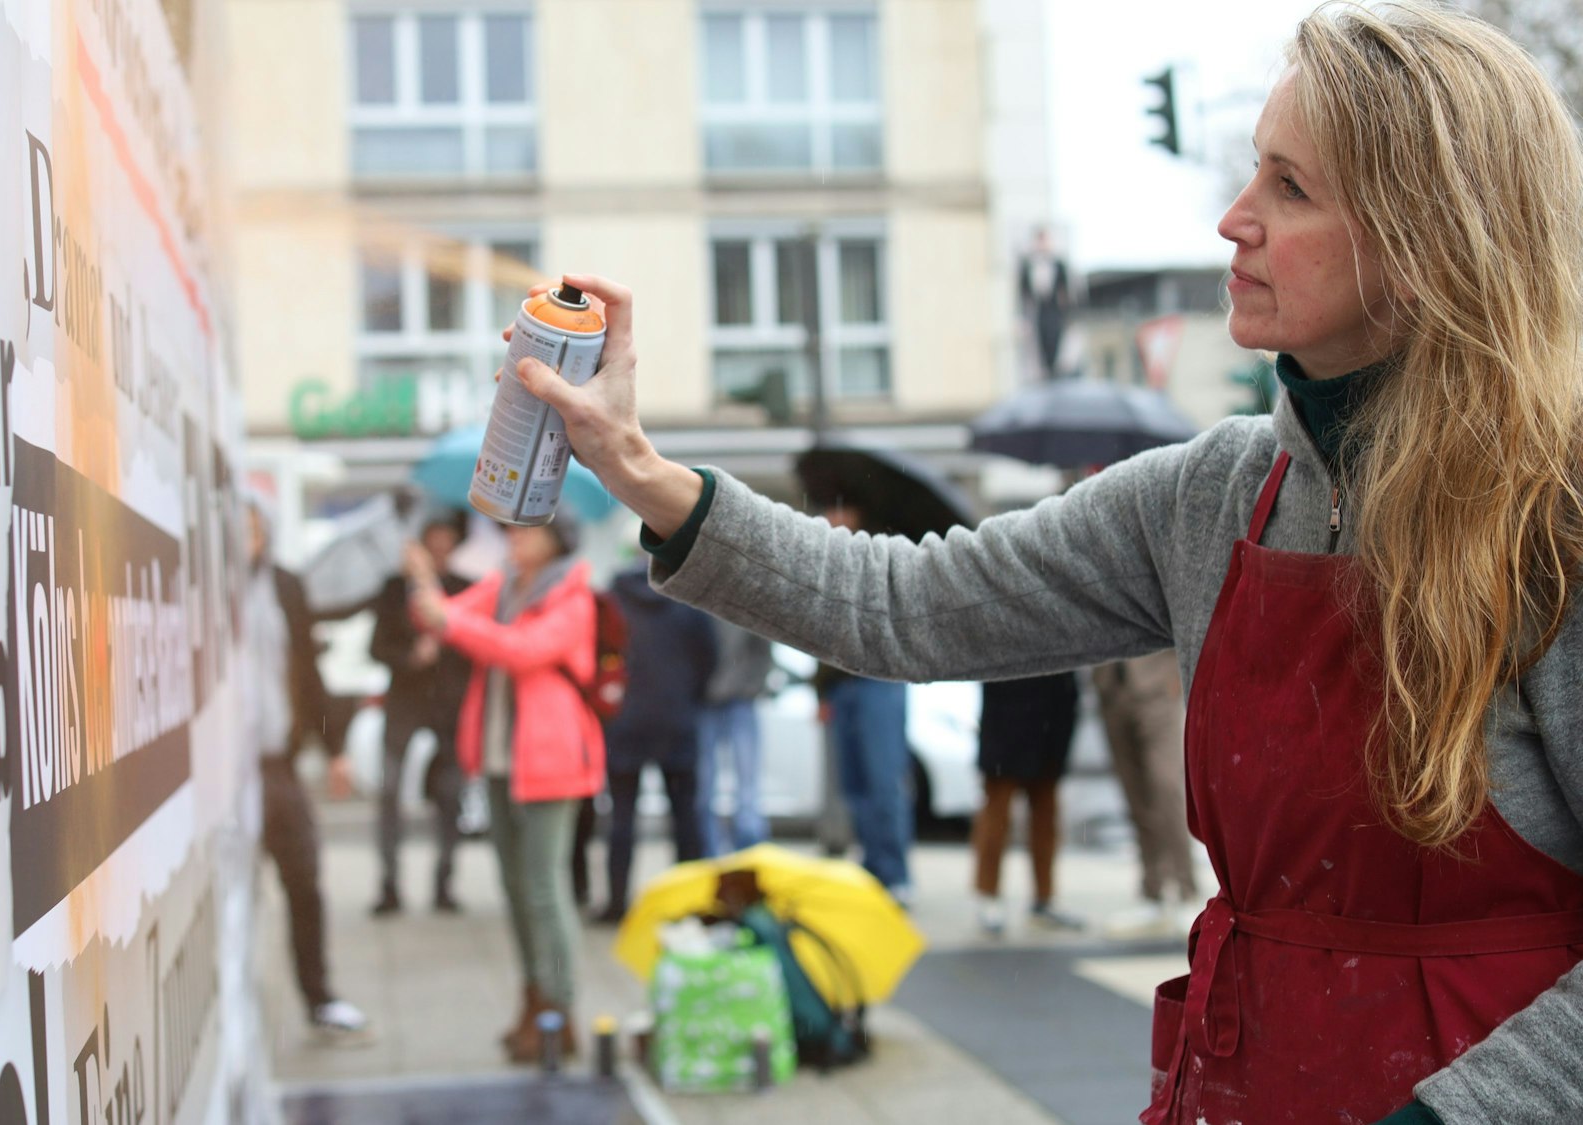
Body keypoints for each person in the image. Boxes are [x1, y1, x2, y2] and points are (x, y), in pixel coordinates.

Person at [495, 8, 1583, 1119]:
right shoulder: (1206, 496)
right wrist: (635, 468)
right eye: (1249, 171)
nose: (1231, 219)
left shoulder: (1558, 516)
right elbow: (905, 605)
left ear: (1427, 239)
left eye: (1288, 188)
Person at [405, 511, 605, 1065]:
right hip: (498, 761)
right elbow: (437, 619)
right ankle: (534, 999)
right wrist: (424, 580)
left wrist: (447, 619)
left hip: (551, 761)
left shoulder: (572, 597)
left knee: (544, 888)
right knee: (517, 892)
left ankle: (560, 1011)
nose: (512, 538)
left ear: (555, 540)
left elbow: (519, 651)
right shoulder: (502, 587)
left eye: (525, 530)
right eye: (511, 530)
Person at [242, 498, 373, 1046]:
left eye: (254, 528)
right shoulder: (197, 583)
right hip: (225, 771)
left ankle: (318, 997)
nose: (247, 538)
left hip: (278, 764)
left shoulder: (284, 587)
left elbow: (307, 669)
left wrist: (333, 747)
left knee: (304, 882)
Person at [594, 562, 718, 925]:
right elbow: (709, 659)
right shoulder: (688, 594)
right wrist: (686, 697)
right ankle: (691, 903)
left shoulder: (614, 597)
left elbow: (599, 653)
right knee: (684, 818)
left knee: (621, 819)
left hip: (624, 723)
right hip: (677, 720)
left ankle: (617, 903)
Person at [366, 510, 474, 917]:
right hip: (406, 703)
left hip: (450, 707)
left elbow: (476, 643)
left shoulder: (464, 589)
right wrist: (411, 657)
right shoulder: (395, 590)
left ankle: (445, 883)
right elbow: (376, 647)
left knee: (451, 796)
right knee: (389, 790)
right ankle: (389, 884)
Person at [816, 502, 914, 905]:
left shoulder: (882, 556)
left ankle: (895, 874)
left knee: (883, 779)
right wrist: (820, 691)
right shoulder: (826, 564)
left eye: (837, 512)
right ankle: (873, 864)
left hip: (880, 681)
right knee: (855, 783)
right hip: (842, 685)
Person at [971, 672, 1086, 936]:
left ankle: (1044, 899)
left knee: (1047, 809)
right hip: (1007, 695)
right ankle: (988, 895)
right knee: (997, 808)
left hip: (1054, 699)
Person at [1093, 650, 1199, 933]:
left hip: (1158, 686)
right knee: (1135, 796)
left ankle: (1186, 889)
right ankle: (1153, 891)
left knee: (1167, 788)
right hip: (1111, 687)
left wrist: (1181, 675)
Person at [699, 618, 775, 854]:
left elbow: (763, 651)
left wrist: (753, 686)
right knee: (704, 783)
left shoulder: (743, 599)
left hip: (741, 700)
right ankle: (708, 849)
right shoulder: (694, 596)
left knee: (747, 782)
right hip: (704, 702)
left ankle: (750, 849)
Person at [1018, 225, 1072, 381]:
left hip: (1054, 312)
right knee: (1038, 348)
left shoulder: (1058, 265)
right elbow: (1024, 294)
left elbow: (1065, 293)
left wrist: (1066, 314)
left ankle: (1053, 371)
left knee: (1054, 344)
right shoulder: (1028, 266)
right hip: (1037, 313)